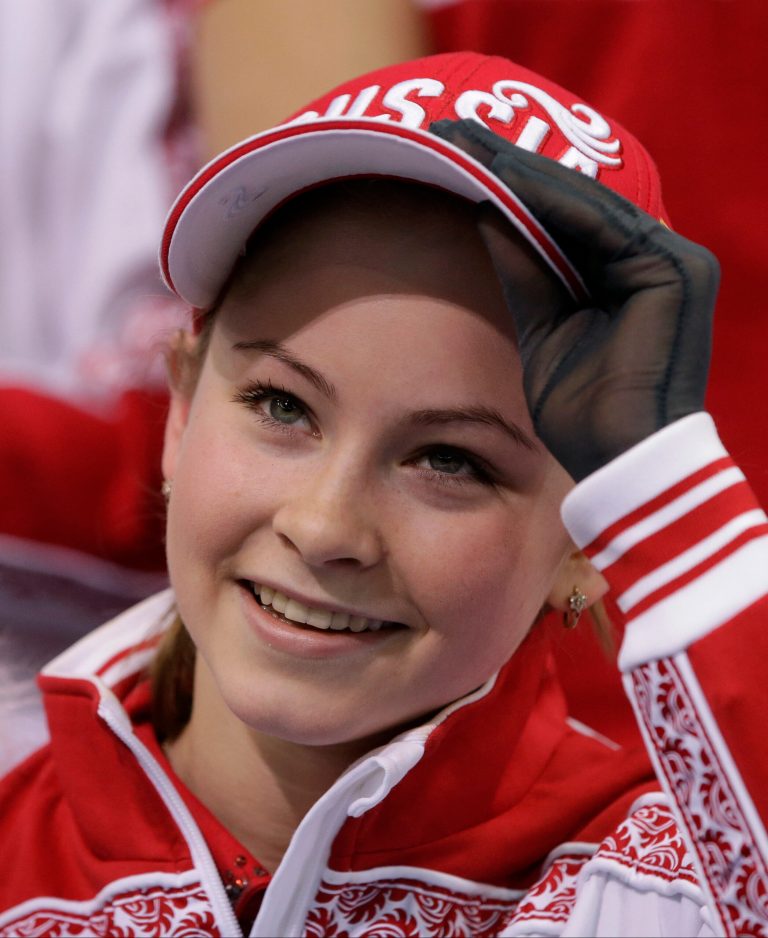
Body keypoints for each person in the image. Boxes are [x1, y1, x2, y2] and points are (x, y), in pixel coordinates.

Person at [1, 51, 765, 938]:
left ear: (588, 548)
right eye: (281, 406)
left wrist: (665, 491)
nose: (325, 526)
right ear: (180, 411)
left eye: (449, 460)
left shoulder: (654, 897)